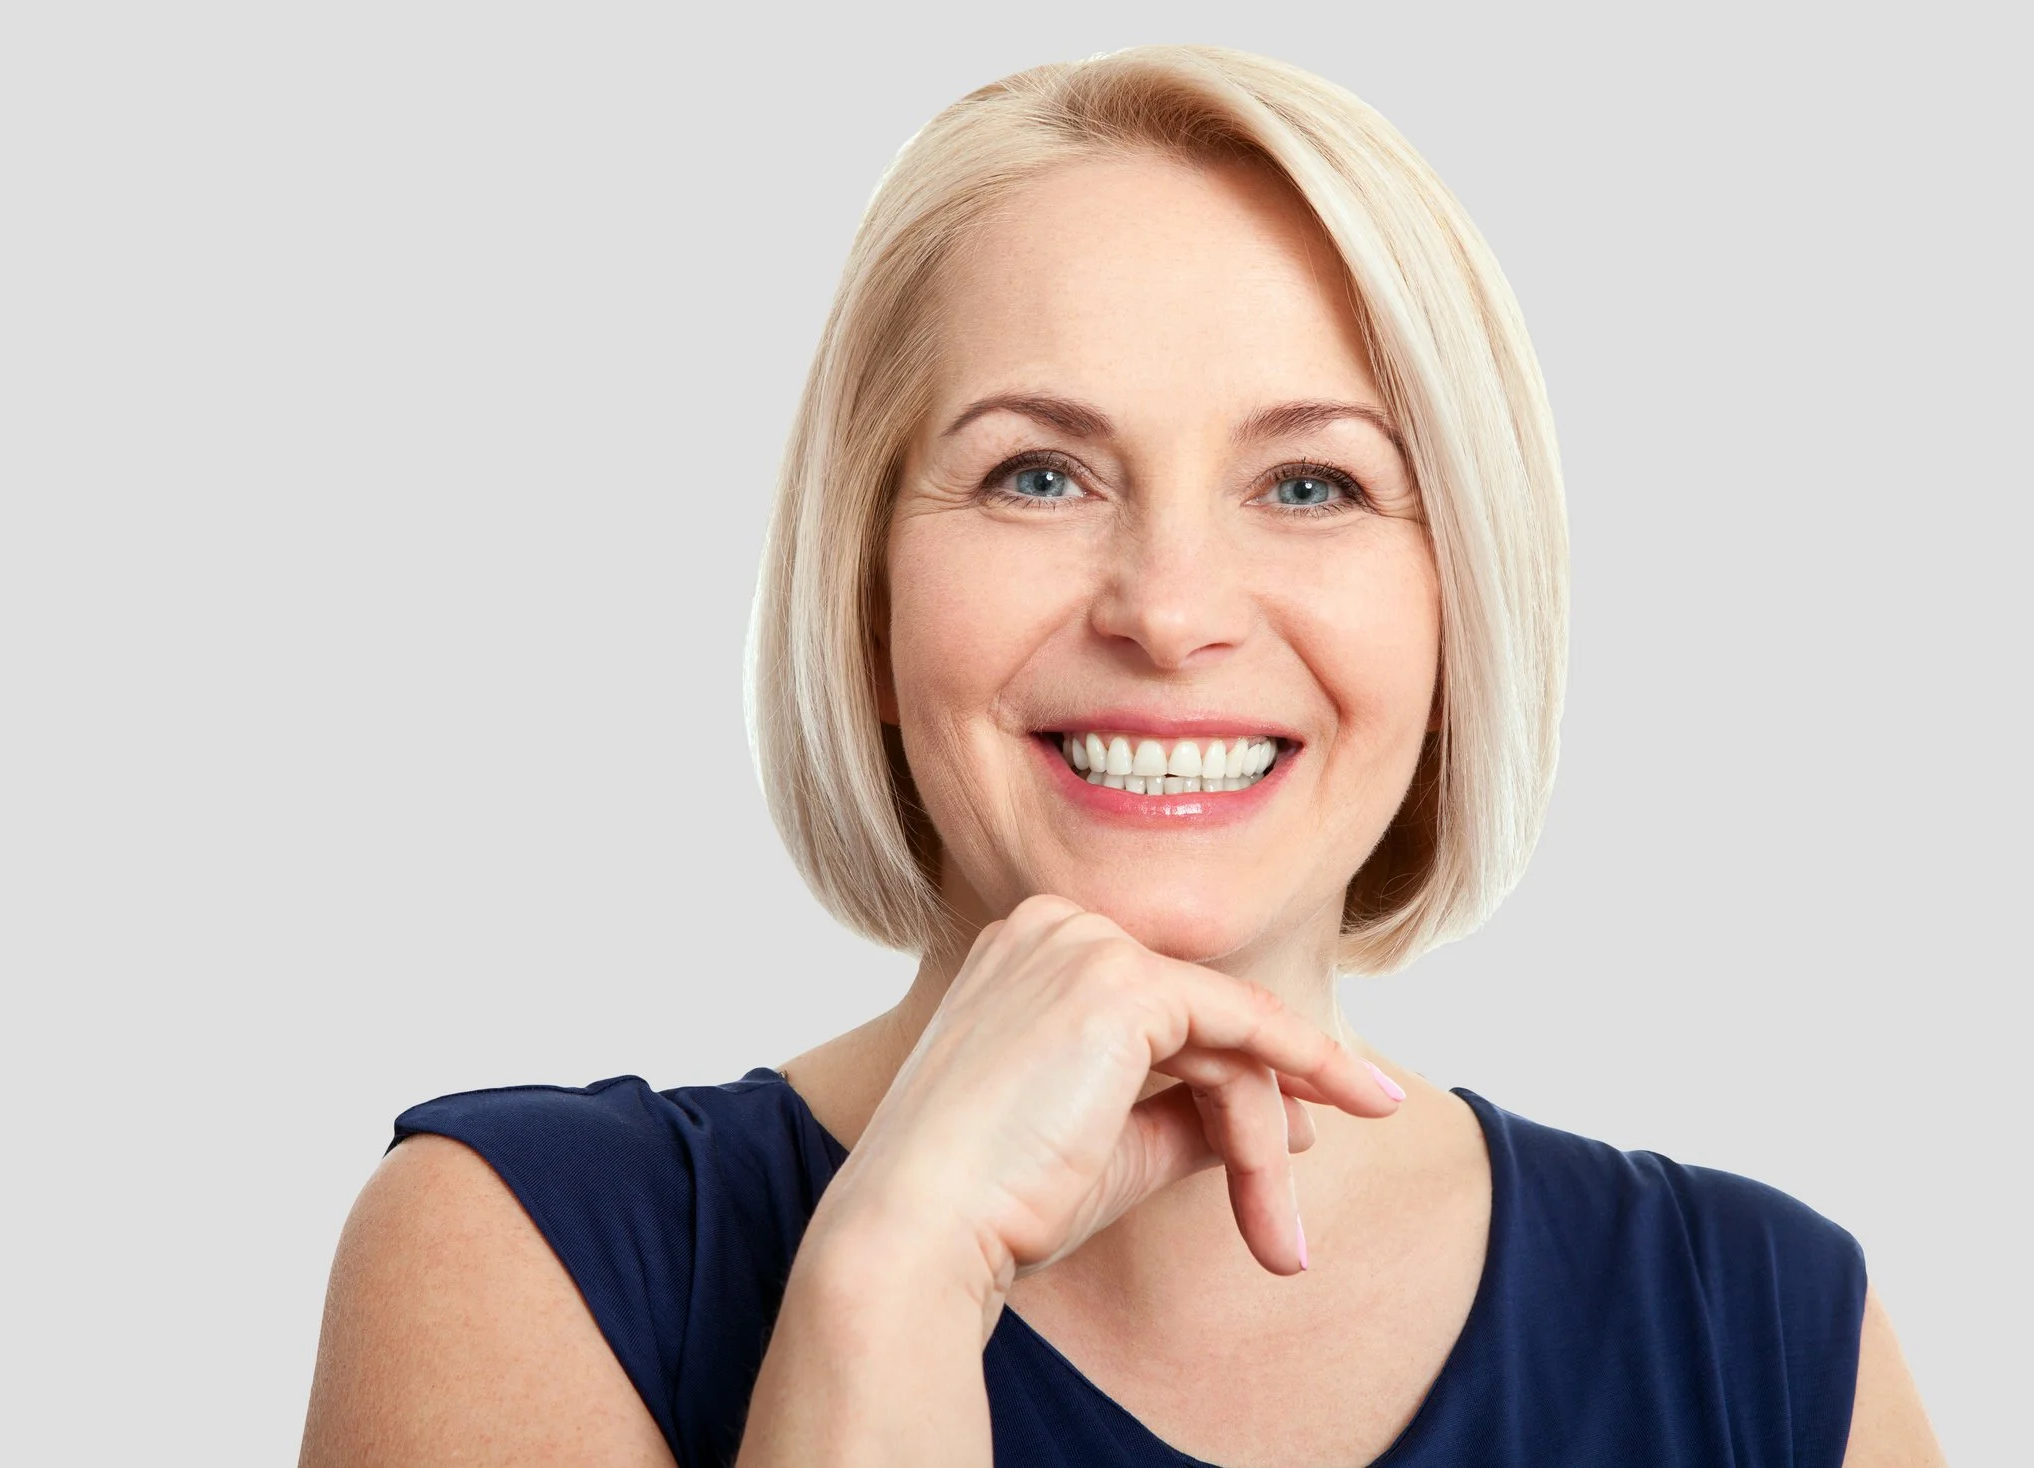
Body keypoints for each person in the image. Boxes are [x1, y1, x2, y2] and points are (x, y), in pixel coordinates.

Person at [297, 44, 1944, 1467]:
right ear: (868, 597)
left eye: (1311, 485)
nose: (1168, 611)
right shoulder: (518, 1252)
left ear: (1461, 615)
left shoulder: (1770, 1332)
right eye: (1038, 476)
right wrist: (887, 1289)